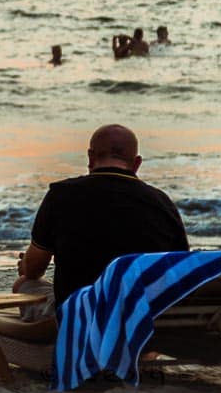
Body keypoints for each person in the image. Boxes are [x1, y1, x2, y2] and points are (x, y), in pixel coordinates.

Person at [15, 124, 187, 309]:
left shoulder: (61, 194)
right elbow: (181, 266)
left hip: (81, 315)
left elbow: (34, 270)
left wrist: (25, 265)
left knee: (24, 284)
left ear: (90, 157)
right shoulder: (162, 203)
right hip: (142, 315)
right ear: (137, 163)